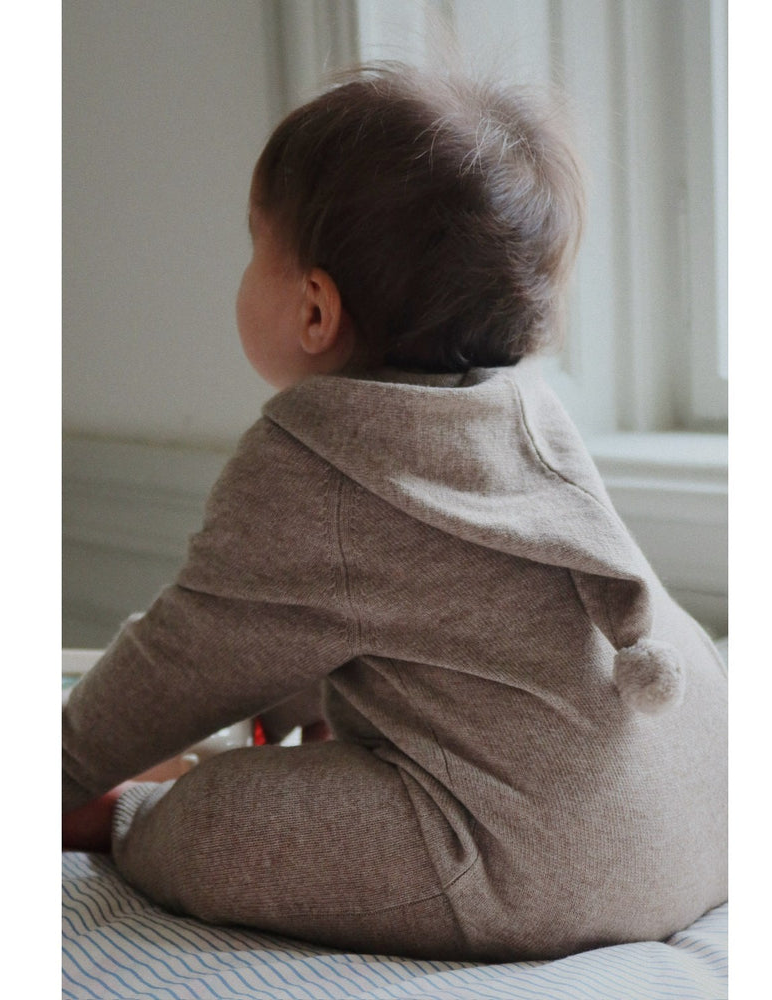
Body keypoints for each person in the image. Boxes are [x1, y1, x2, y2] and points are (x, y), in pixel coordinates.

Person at [62, 63, 727, 962]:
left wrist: (62, 768)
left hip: (548, 866)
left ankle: (125, 815)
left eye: (254, 247)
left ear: (314, 309)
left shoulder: (315, 464)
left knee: (219, 819)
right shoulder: (520, 405)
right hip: (705, 803)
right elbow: (420, 604)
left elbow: (178, 662)